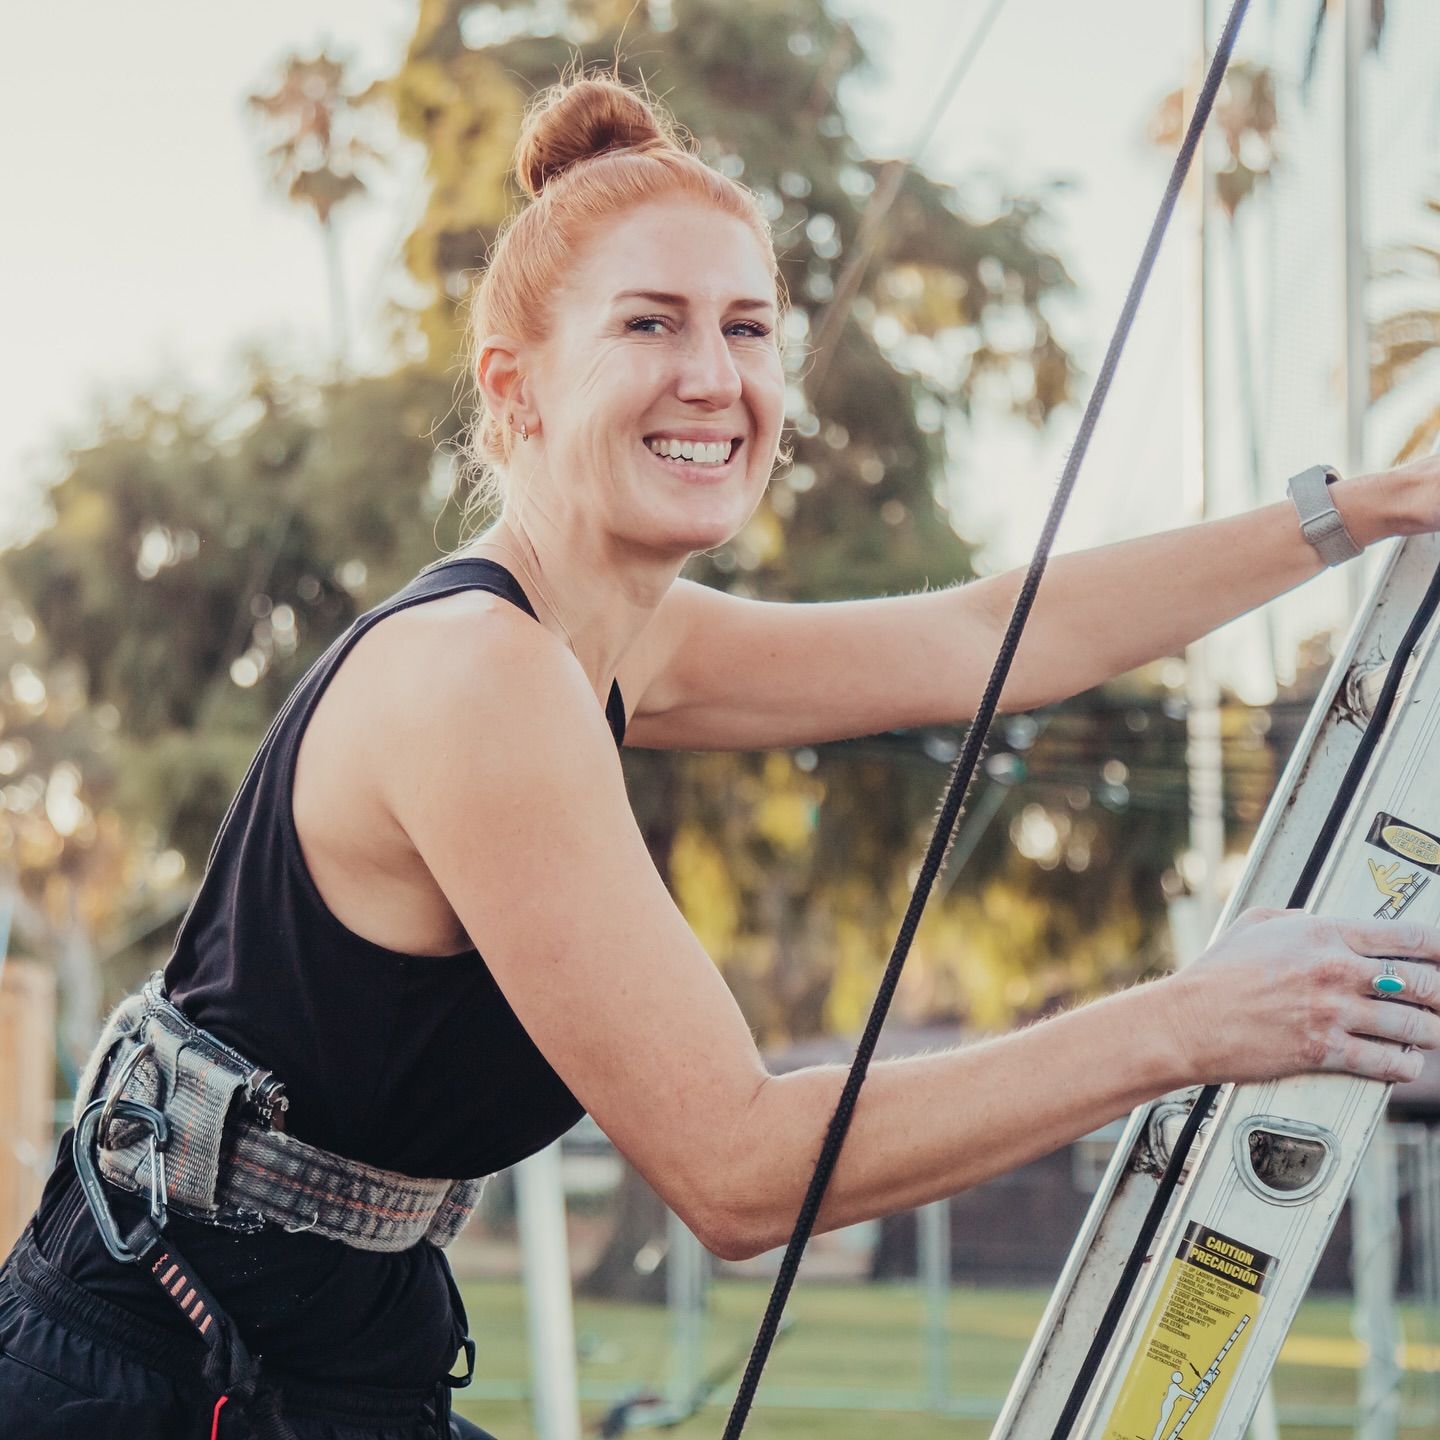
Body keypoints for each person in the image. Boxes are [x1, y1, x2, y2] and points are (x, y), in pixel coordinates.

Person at [4, 69, 1440, 1440]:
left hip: (321, 1359)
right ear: (515, 393)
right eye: (650, 326)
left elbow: (984, 637)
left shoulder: (625, 641)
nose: (714, 376)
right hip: (154, 1374)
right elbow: (741, 1169)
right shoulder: (477, 678)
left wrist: (1349, 514)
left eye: (748, 330)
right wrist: (1196, 1022)